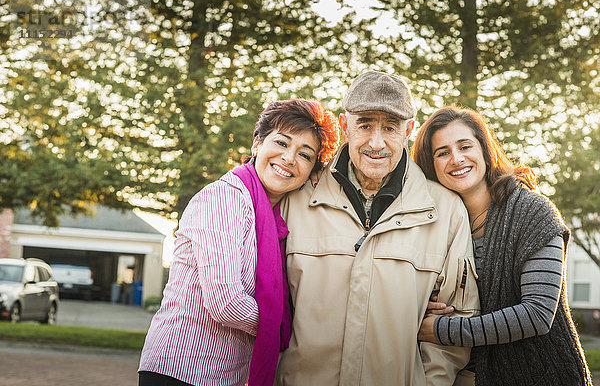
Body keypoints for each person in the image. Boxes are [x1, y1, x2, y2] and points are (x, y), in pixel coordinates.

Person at [275, 71, 480, 385]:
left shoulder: (446, 211)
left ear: (408, 131)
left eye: (390, 127)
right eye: (365, 124)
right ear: (345, 127)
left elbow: (458, 318)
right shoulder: (296, 198)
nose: (376, 142)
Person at [138, 99, 340, 386]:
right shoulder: (225, 198)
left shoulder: (275, 220)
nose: (289, 158)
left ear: (311, 172)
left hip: (225, 375)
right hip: (180, 370)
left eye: (305, 155)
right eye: (282, 143)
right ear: (257, 143)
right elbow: (226, 303)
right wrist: (291, 327)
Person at [412, 106, 592, 385]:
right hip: (456, 376)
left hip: (536, 375)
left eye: (465, 146)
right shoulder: (431, 224)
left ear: (485, 150)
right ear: (430, 165)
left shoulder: (531, 211)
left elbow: (537, 314)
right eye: (442, 152)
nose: (456, 159)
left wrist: (439, 329)